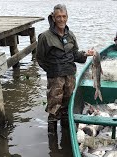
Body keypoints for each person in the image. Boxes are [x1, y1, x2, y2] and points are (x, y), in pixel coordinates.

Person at [36, 4, 94, 134]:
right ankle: (52, 141)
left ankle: (66, 136)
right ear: (53, 18)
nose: (61, 20)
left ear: (67, 17)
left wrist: (86, 54)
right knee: (53, 108)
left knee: (67, 107)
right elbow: (40, 59)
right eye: (58, 17)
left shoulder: (71, 35)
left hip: (70, 76)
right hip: (55, 78)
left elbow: (75, 55)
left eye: (64, 16)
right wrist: (52, 71)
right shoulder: (45, 36)